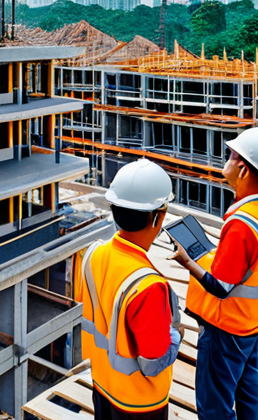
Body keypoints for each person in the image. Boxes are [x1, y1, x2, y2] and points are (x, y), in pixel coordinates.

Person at [170, 127, 258, 420]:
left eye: (231, 155)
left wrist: (188, 262)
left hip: (228, 328)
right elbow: (255, 265)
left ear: (243, 170)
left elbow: (220, 286)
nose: (226, 159)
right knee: (247, 388)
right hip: (256, 320)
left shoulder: (241, 225)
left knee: (215, 404)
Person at [79, 159, 183, 420]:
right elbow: (153, 362)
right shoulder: (147, 286)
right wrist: (176, 335)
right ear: (158, 217)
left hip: (103, 387)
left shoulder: (94, 254)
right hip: (139, 404)